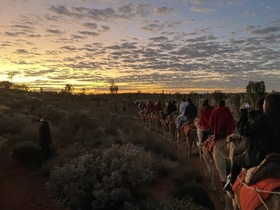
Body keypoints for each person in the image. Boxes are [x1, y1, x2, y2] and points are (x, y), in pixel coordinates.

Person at [225, 93, 280, 195]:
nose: (263, 105)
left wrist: (244, 114)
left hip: (259, 158)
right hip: (277, 157)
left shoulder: (261, 120)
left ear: (268, 105)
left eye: (264, 103)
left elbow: (243, 130)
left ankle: (231, 185)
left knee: (236, 160)